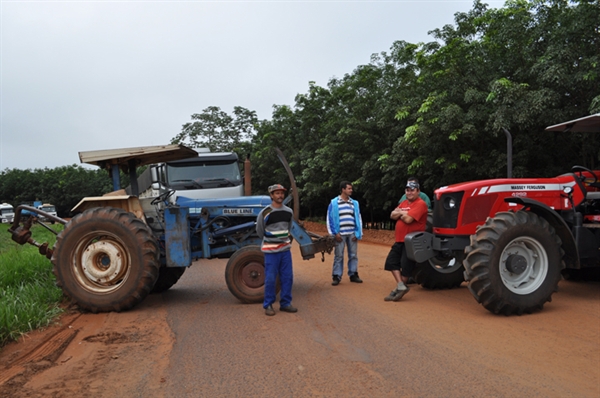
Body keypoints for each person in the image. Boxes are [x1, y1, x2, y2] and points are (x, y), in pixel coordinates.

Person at [383, 178, 428, 301]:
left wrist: (400, 213)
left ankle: (398, 289)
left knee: (406, 267)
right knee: (391, 262)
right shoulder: (404, 203)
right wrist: (404, 212)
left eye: (412, 190)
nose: (409, 193)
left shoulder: (420, 204)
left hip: (411, 241)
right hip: (399, 240)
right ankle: (400, 286)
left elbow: (408, 220)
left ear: (418, 191)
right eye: (407, 190)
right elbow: (392, 215)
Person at [256, 183, 297, 316]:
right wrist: (270, 241)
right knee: (270, 279)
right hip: (271, 252)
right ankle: (268, 305)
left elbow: (289, 228)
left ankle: (285, 303)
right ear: (272, 195)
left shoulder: (288, 212)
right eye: (277, 193)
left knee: (287, 277)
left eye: (281, 193)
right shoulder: (265, 212)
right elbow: (259, 230)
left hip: (285, 250)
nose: (280, 195)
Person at [326, 180, 363, 286]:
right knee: (339, 255)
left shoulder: (354, 203)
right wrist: (333, 233)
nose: (351, 190)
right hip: (340, 234)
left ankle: (353, 274)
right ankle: (336, 276)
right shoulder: (334, 203)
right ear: (343, 189)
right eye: (349, 188)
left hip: (352, 233)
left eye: (351, 188)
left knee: (353, 255)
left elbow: (358, 218)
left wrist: (358, 233)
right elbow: (329, 218)